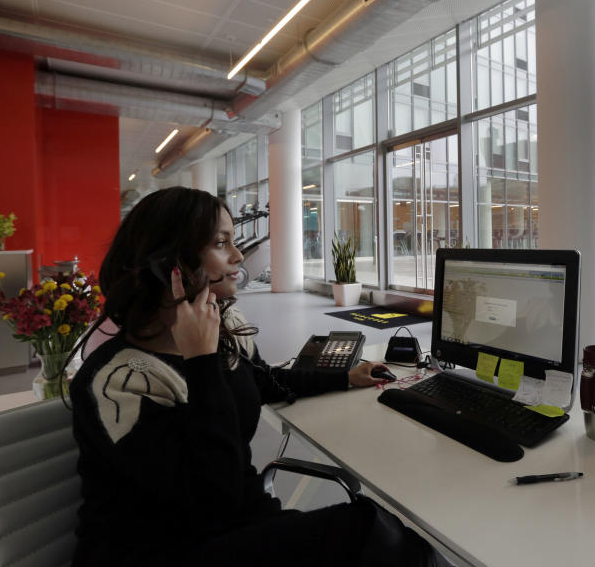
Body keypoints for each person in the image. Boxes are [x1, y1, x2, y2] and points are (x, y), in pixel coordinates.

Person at [68, 187, 439, 567]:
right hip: (165, 547)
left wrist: (345, 376)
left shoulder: (222, 324)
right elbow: (212, 494)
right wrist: (201, 360)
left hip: (243, 522)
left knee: (386, 538)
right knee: (370, 534)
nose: (238, 255)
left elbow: (264, 382)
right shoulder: (117, 382)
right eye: (220, 242)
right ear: (170, 263)